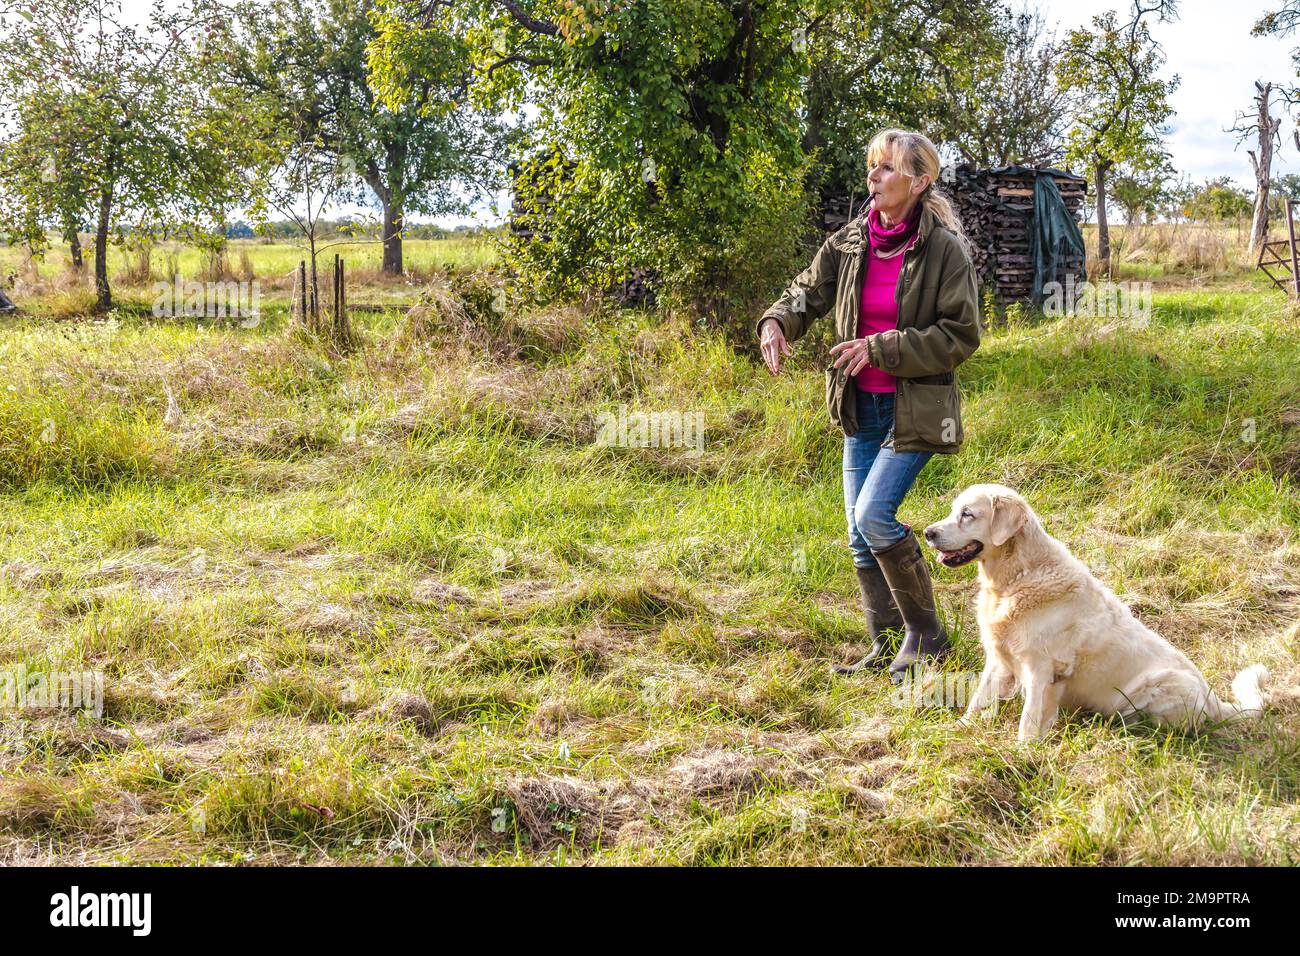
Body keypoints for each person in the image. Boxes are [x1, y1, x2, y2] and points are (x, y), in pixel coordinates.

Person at [755, 128, 981, 683]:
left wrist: (881, 347)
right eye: (871, 167)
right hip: (861, 407)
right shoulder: (851, 241)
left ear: (919, 180)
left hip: (917, 408)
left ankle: (928, 640)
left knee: (873, 516)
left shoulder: (944, 250)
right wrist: (777, 321)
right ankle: (886, 648)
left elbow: (961, 333)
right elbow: (807, 291)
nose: (872, 178)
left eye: (885, 169)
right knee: (860, 531)